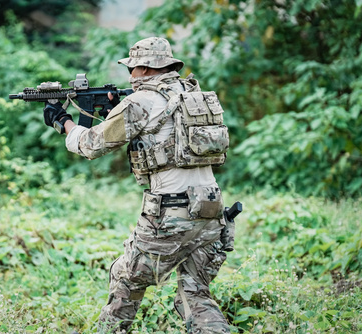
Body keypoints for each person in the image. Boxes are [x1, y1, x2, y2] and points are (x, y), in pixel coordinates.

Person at [42, 37, 231, 334]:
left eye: (133, 69)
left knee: (125, 280)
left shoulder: (139, 101)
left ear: (145, 69)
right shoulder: (192, 95)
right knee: (194, 295)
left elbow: (91, 144)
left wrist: (62, 120)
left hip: (170, 214)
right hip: (211, 211)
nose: (130, 76)